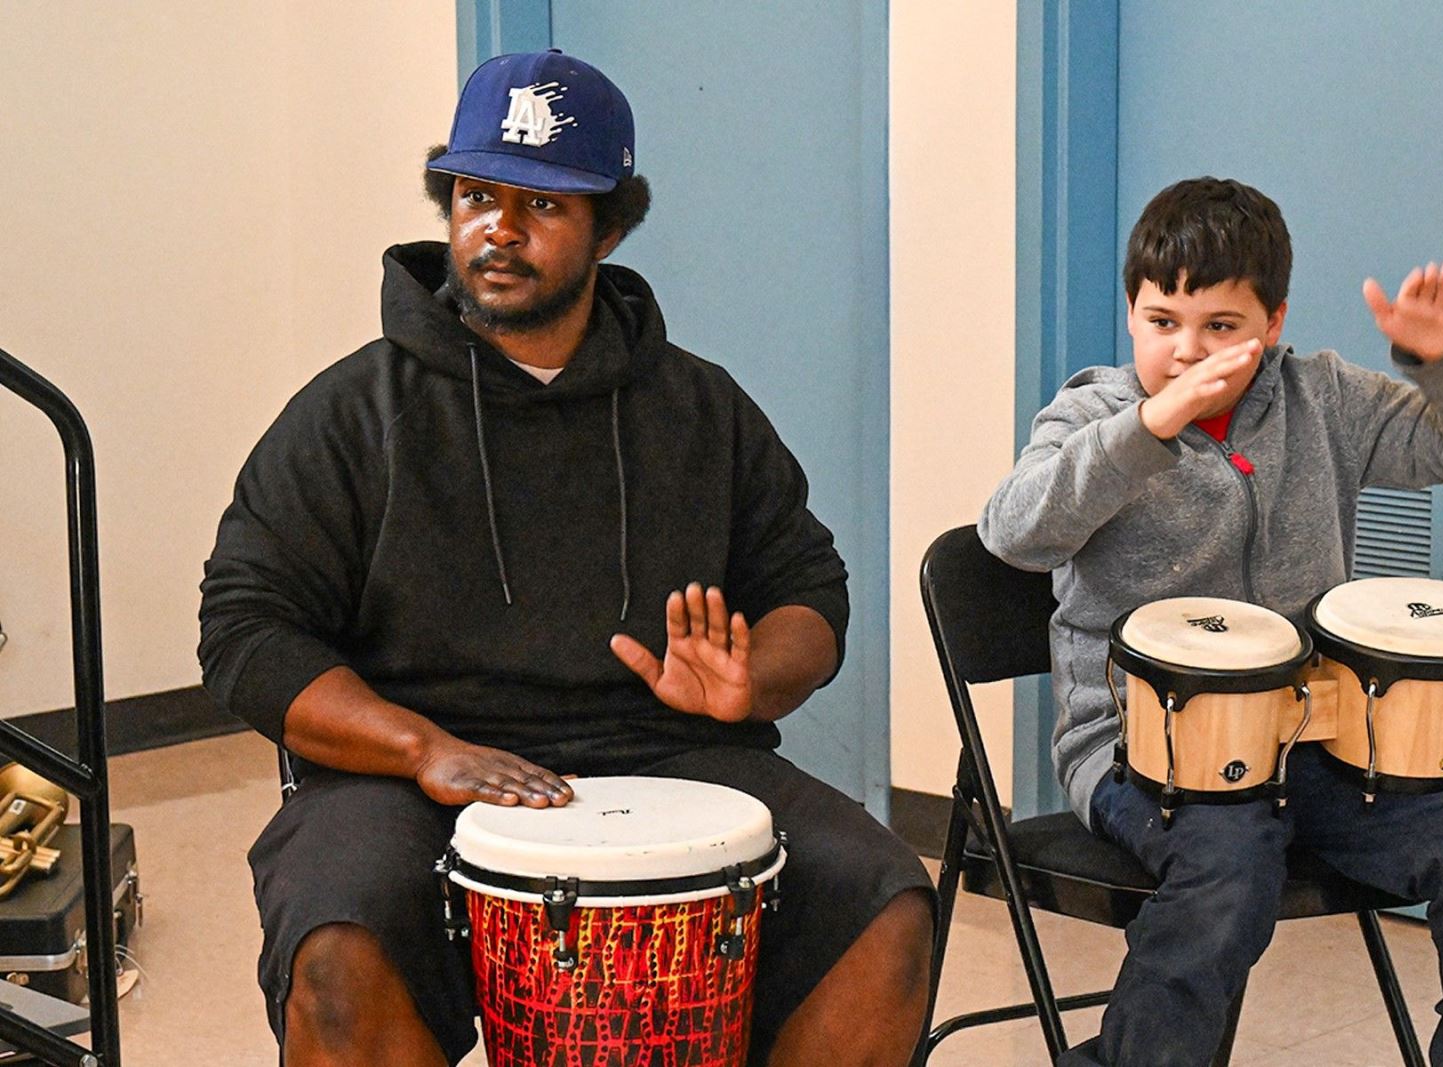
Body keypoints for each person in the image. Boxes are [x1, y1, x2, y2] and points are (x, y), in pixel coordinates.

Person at [199, 50, 932, 1067]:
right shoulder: (350, 415)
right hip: (407, 767)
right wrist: (418, 746)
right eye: (474, 194)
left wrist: (752, 676)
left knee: (883, 902)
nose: (497, 227)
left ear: (613, 225)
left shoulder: (700, 407)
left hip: (668, 745)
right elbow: (246, 628)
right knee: (339, 942)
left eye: (539, 204)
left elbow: (809, 589)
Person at [979, 177, 1443, 1067]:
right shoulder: (1092, 412)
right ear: (1131, 313)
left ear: (1273, 321)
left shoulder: (1324, 399)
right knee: (1230, 864)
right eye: (1163, 321)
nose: (1187, 350)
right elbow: (1012, 530)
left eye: (1221, 326)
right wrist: (1148, 426)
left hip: (1316, 740)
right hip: (1141, 749)